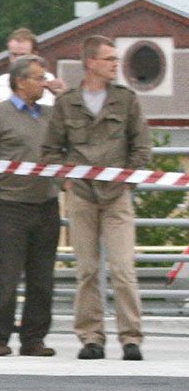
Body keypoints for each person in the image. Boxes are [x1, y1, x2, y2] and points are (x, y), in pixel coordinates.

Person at [43, 34, 152, 360]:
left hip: (117, 194)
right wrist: (67, 182)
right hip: (82, 195)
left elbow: (141, 147)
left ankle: (130, 338)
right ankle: (91, 337)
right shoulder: (67, 102)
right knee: (87, 270)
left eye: (116, 60)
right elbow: (50, 150)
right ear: (91, 63)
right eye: (109, 59)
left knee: (122, 268)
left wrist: (129, 181)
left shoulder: (126, 100)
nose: (115, 65)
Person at [0, 57, 61, 357]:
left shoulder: (51, 114)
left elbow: (79, 124)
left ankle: (33, 338)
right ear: (20, 82)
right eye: (38, 78)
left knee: (42, 279)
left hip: (46, 204)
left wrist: (62, 95)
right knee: (6, 277)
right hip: (10, 206)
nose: (44, 83)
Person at [0, 28, 64, 110]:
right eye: (14, 55)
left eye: (22, 55)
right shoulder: (1, 82)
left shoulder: (46, 81)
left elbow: (45, 112)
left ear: (34, 54)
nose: (17, 60)